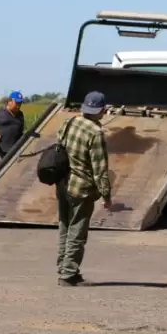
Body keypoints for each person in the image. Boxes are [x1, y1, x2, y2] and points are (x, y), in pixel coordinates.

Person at [55, 91, 112, 287]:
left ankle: (64, 267)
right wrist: (106, 194)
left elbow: (59, 148)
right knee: (77, 232)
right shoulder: (96, 133)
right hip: (81, 189)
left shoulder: (69, 123)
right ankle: (68, 274)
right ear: (102, 110)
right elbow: (100, 168)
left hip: (62, 184)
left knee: (65, 227)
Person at [0, 91, 25, 166]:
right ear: (9, 101)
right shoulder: (0, 111)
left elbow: (21, 132)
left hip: (15, 152)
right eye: (17, 103)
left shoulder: (20, 115)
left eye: (20, 103)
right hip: (0, 152)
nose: (18, 106)